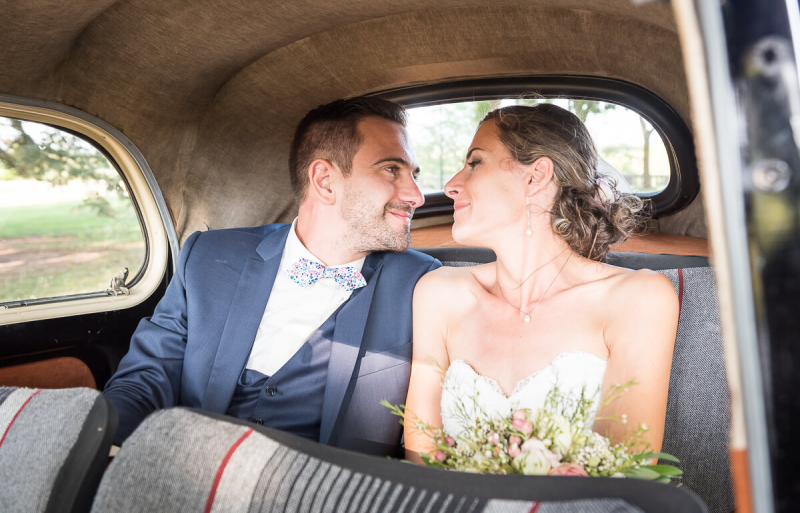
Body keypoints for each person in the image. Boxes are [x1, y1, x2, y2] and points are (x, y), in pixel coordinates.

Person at [104, 96, 441, 456]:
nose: (416, 196)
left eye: (414, 175)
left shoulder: (423, 285)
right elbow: (145, 379)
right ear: (324, 180)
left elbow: (424, 435)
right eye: (392, 169)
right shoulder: (209, 257)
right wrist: (107, 449)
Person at [404, 104, 679, 462]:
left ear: (536, 176)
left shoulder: (639, 300)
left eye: (474, 163)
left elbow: (624, 470)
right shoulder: (438, 294)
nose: (451, 185)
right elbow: (420, 461)